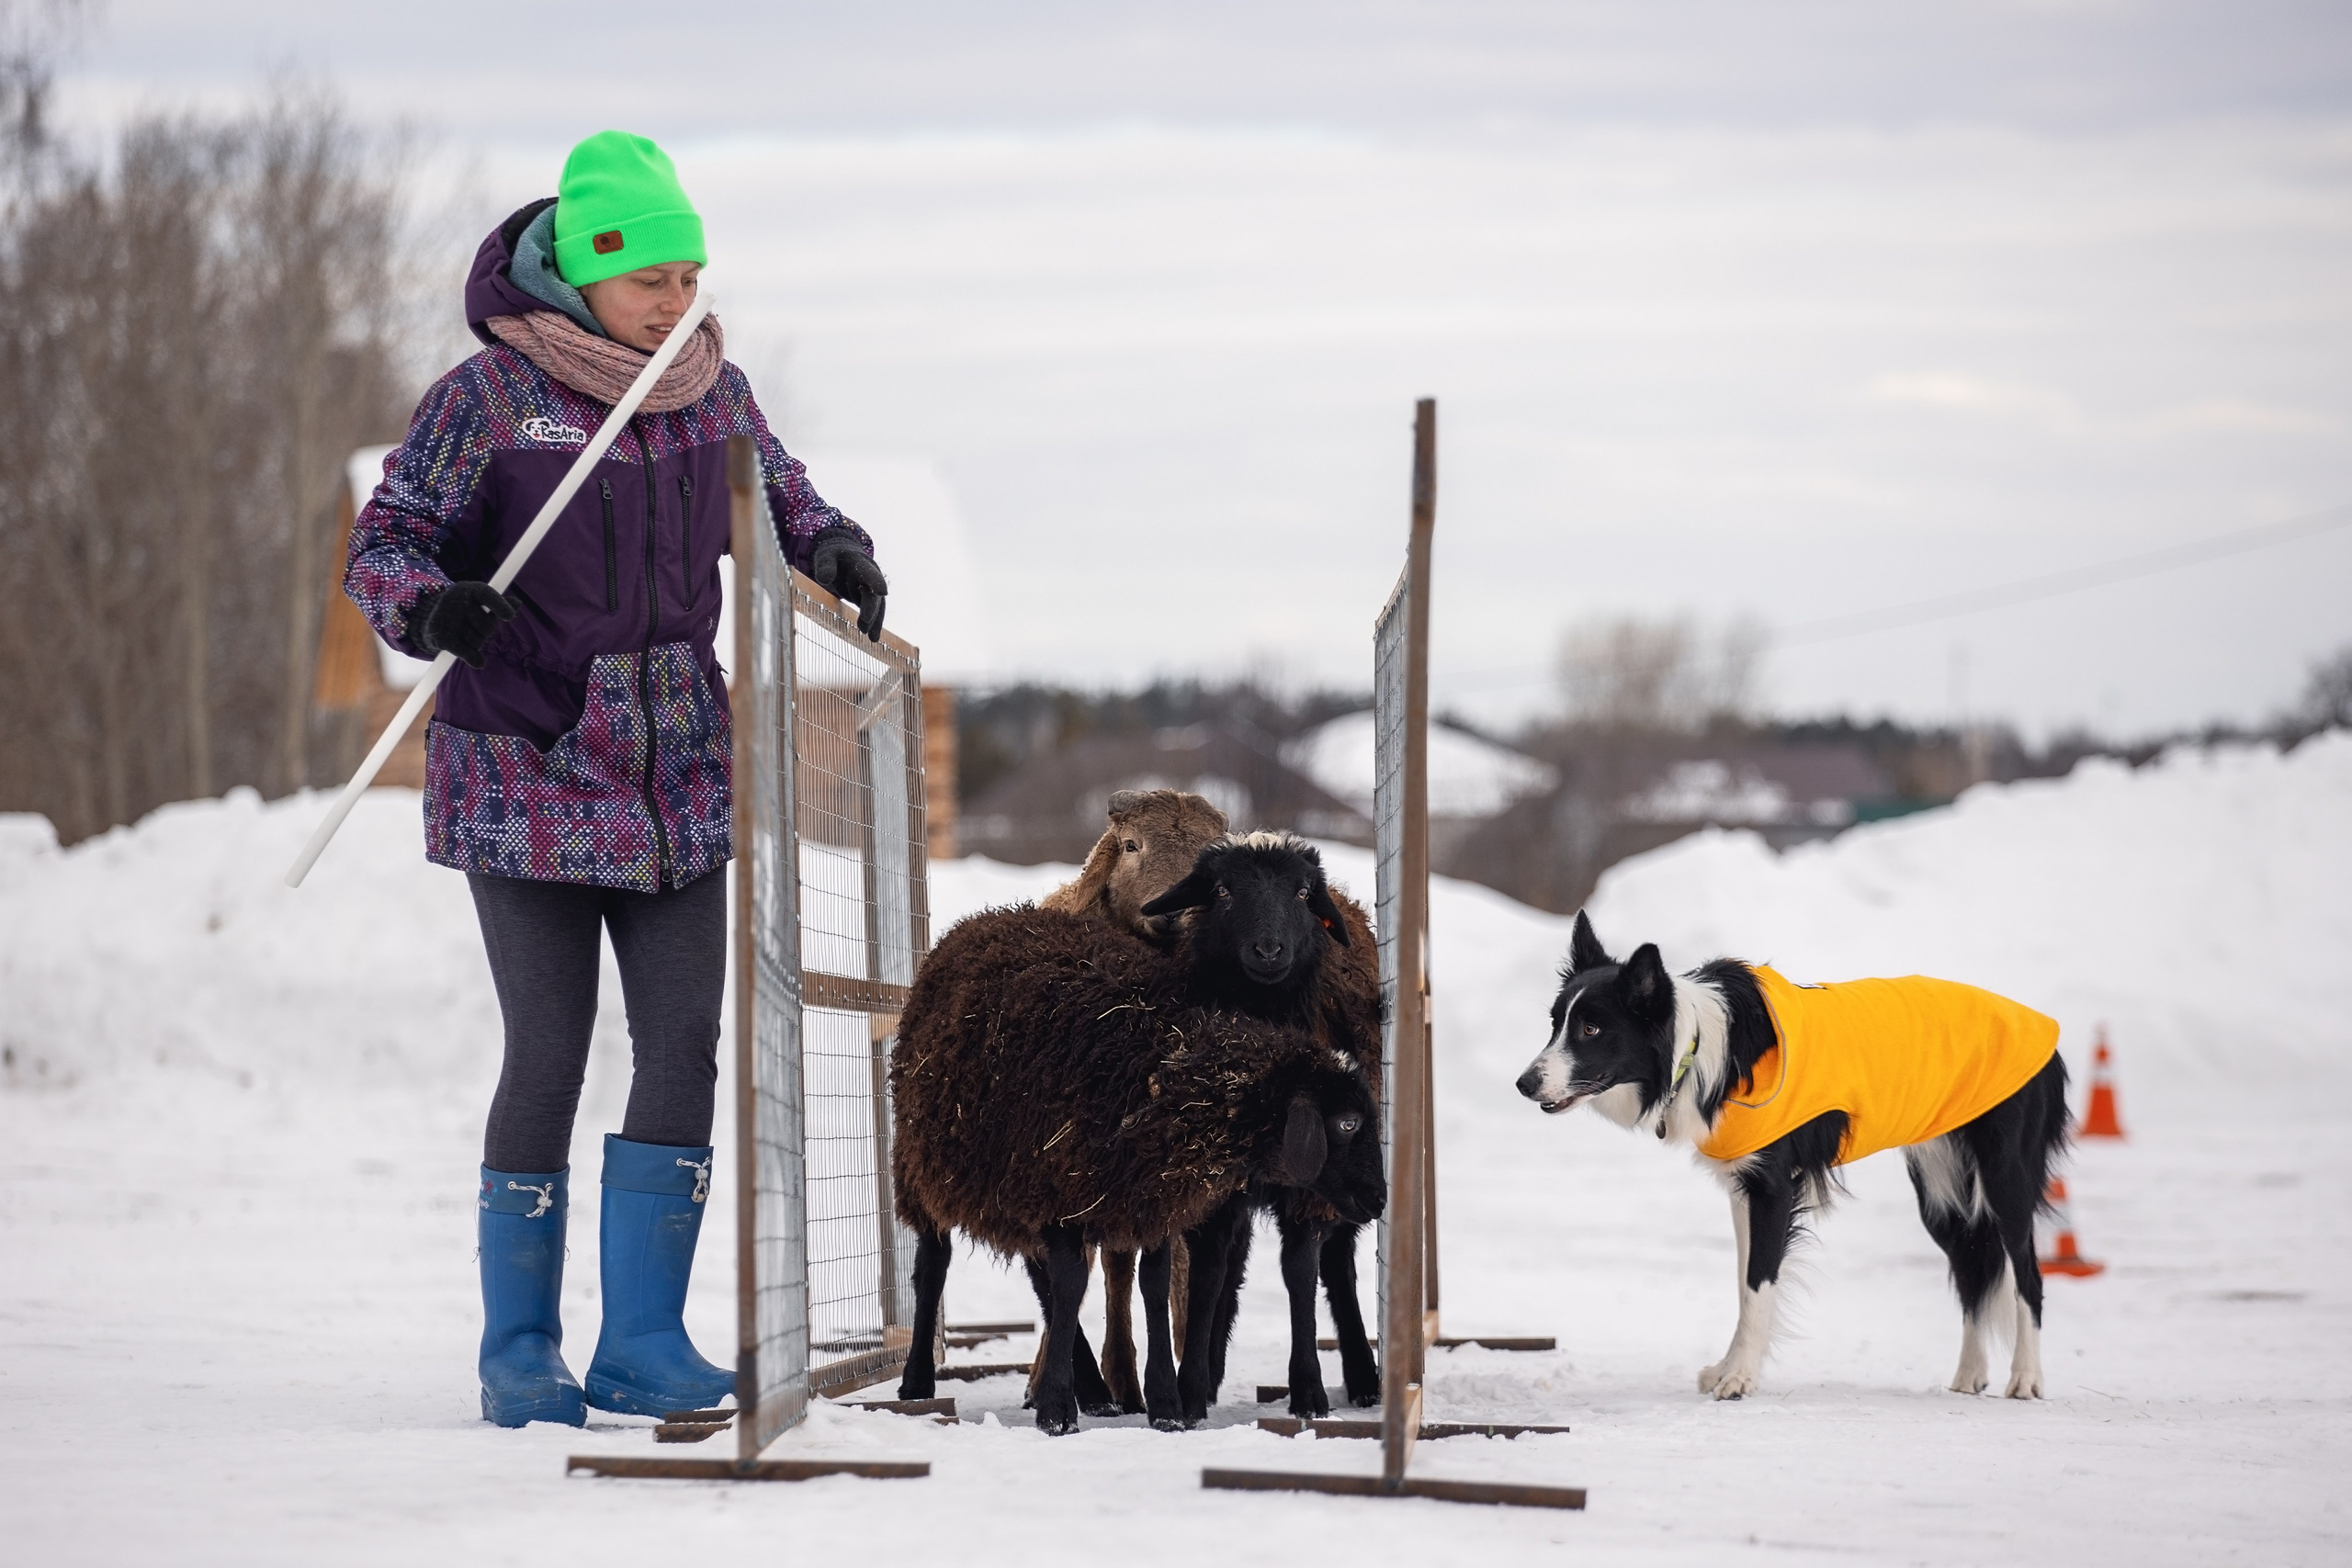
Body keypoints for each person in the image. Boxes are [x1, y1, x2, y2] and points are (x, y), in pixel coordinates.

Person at [345, 130, 888, 1427]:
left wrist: (837, 545)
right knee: (549, 1046)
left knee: (684, 1045)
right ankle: (518, 1348)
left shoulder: (711, 392)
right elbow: (388, 540)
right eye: (653, 273)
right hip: (527, 769)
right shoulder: (489, 401)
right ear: (588, 270)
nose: (677, 294)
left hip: (676, 774)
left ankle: (644, 1339)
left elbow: (785, 499)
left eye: (692, 270)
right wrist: (435, 607)